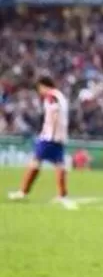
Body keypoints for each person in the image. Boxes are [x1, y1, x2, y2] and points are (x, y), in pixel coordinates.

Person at [8, 76, 77, 209]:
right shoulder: (60, 96)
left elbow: (54, 113)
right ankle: (62, 195)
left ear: (44, 86)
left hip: (50, 137)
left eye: (39, 88)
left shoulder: (51, 96)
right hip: (60, 137)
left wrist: (50, 133)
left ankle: (23, 191)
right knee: (59, 164)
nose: (40, 92)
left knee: (36, 161)